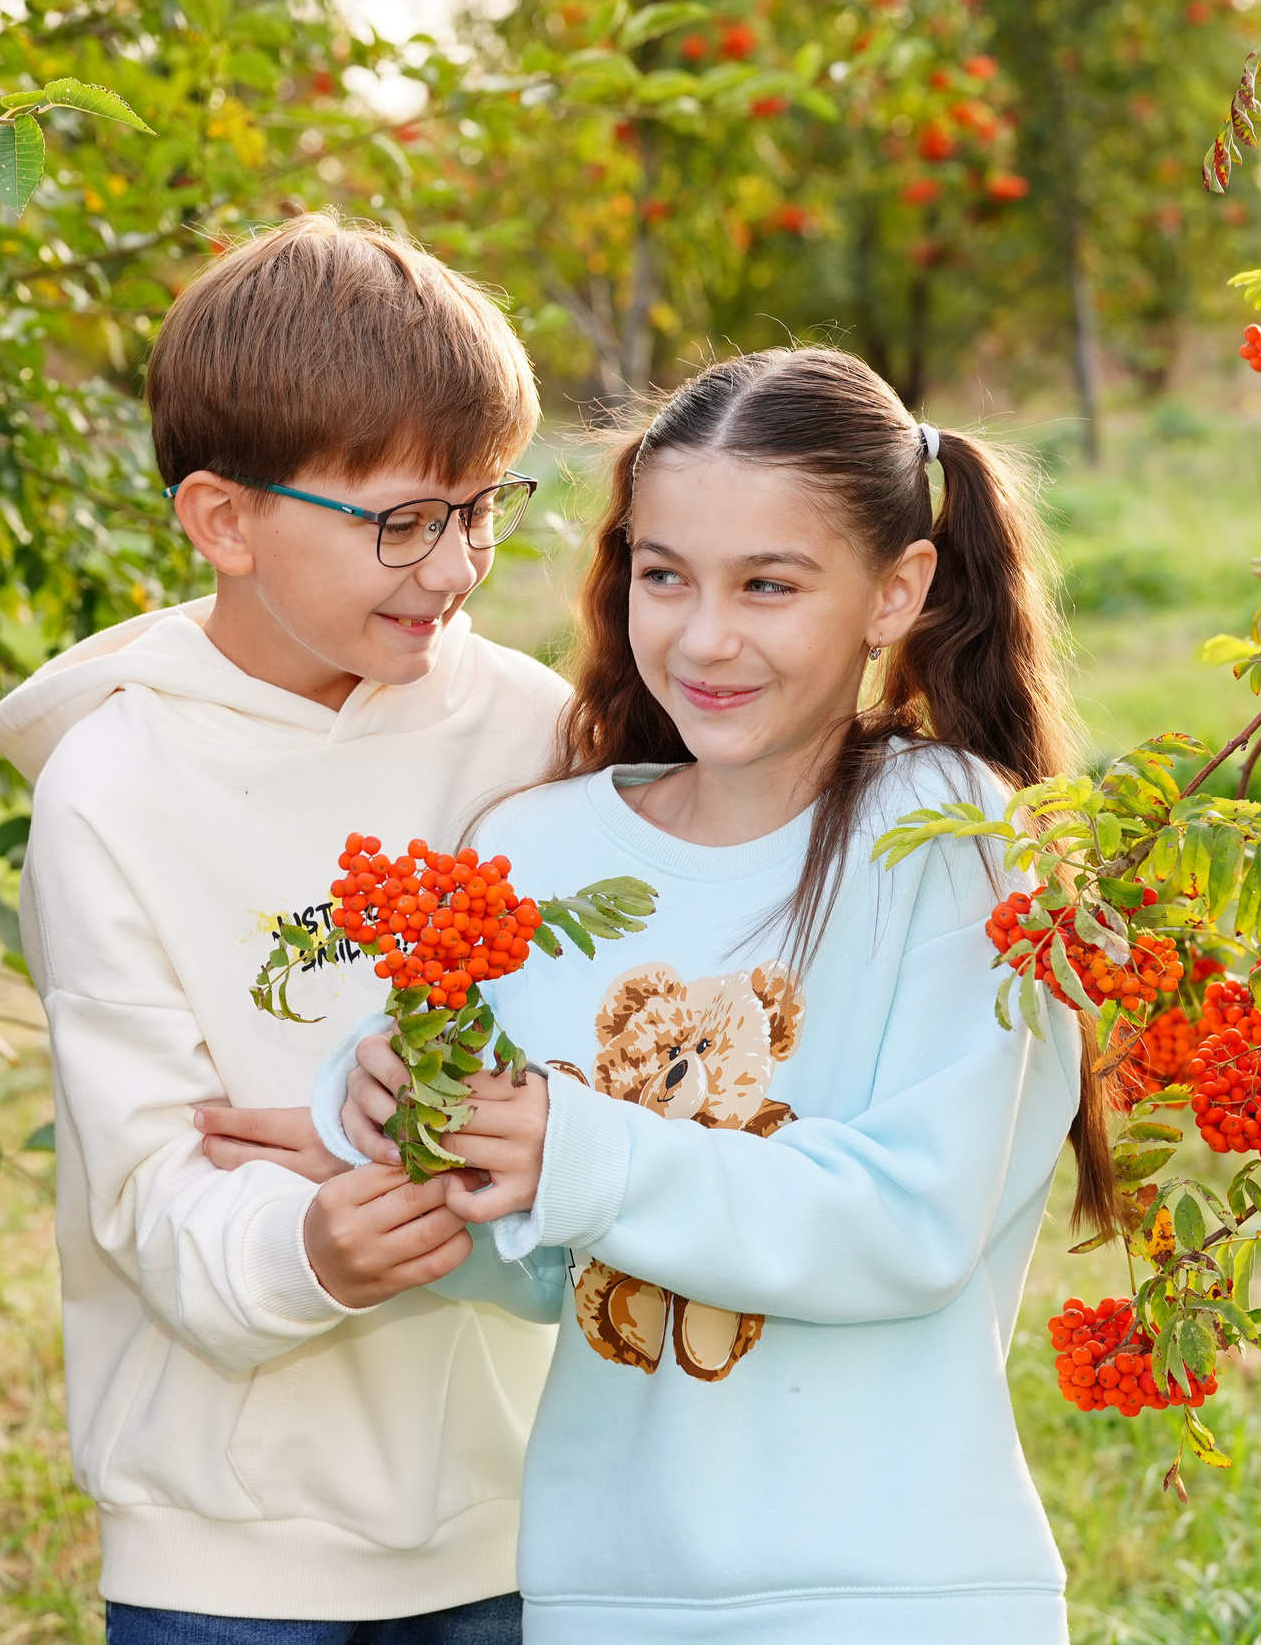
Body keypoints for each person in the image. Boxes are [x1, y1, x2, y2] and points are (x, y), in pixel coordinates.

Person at [330, 346, 1102, 1642]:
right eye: (665, 575)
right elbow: (546, 1268)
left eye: (769, 584)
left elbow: (913, 1223)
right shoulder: (538, 850)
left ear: (896, 589)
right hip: (608, 1590)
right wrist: (409, 1132)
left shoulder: (954, 836)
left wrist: (575, 1150)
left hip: (896, 1596)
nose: (704, 635)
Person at [0, 213, 570, 1643]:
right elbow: (144, 1176)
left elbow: (602, 1085)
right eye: (402, 522)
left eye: (484, 507)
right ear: (222, 519)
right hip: (221, 1551)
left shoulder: (541, 735)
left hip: (522, 1511)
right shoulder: (112, 786)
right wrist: (313, 1243)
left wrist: (424, 1149)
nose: (454, 567)